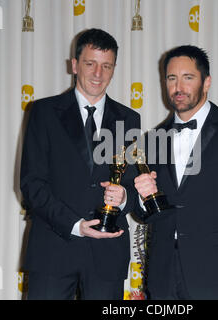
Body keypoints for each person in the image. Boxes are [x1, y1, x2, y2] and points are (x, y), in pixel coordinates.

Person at [133, 45, 218, 300]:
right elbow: (147, 213)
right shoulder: (152, 140)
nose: (179, 87)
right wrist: (144, 200)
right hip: (163, 275)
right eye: (171, 78)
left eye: (188, 77)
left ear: (206, 82)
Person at [20, 28, 140, 300]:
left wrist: (123, 199)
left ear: (114, 69)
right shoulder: (43, 112)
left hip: (107, 255)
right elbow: (32, 184)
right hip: (53, 248)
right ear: (74, 65)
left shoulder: (129, 119)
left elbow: (133, 187)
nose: (98, 73)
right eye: (90, 63)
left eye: (106, 66)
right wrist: (75, 224)